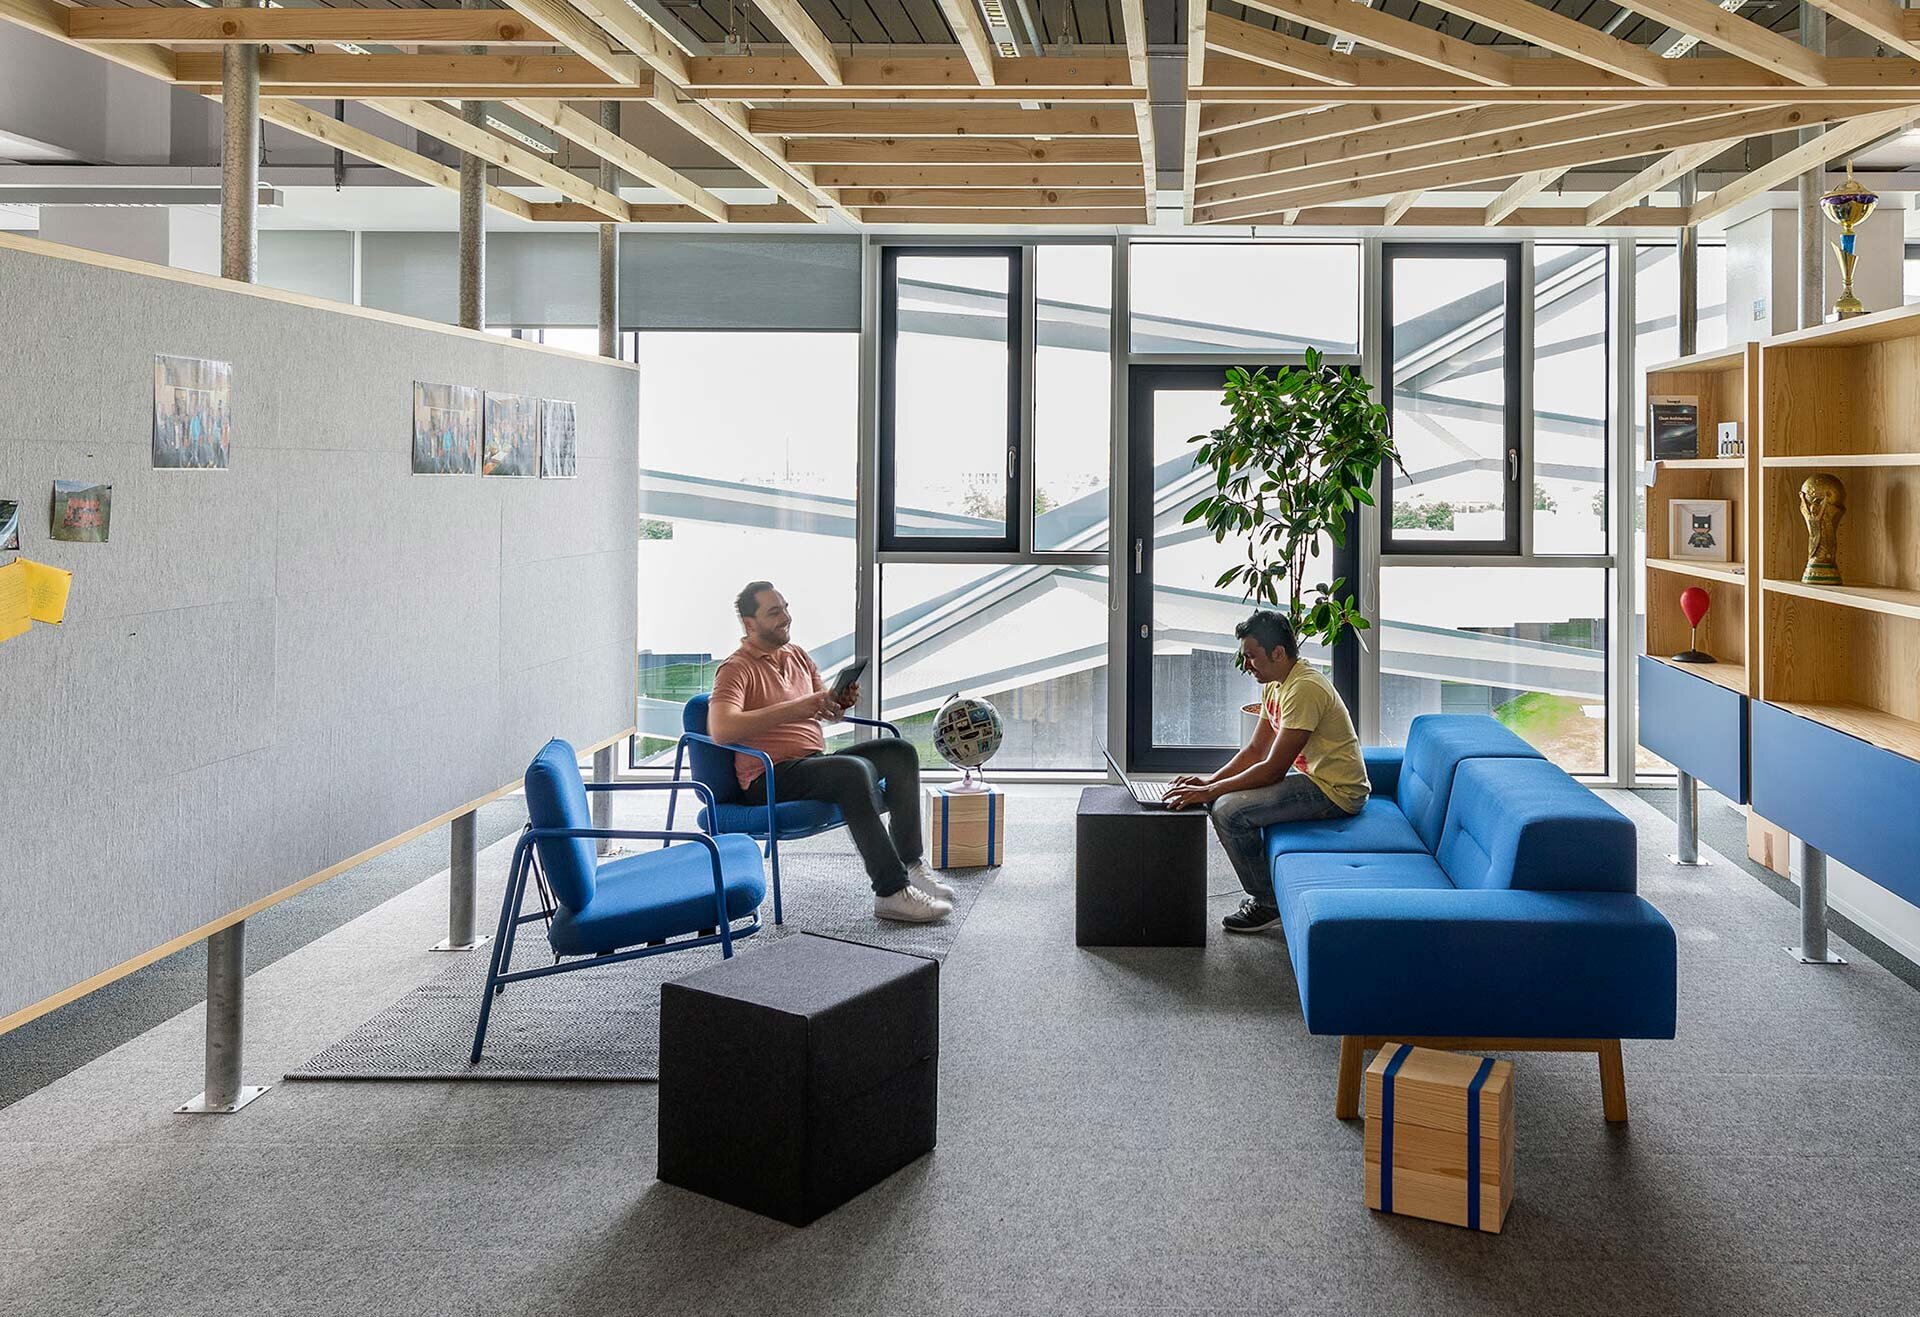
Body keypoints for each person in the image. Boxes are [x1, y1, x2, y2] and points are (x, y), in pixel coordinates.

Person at [708, 581, 953, 924]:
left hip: (811, 763)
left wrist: (838, 702)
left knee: (900, 751)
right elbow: (721, 729)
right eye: (774, 612)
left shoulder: (797, 656)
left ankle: (910, 864)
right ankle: (891, 892)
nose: (786, 617)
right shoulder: (736, 668)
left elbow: (823, 711)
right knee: (852, 771)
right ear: (750, 624)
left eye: (786, 608)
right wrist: (799, 708)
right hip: (768, 775)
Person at [1164, 610, 1370, 934]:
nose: (1246, 665)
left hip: (1336, 792)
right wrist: (1210, 781)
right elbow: (1256, 751)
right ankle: (1268, 893)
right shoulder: (1275, 684)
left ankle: (1267, 902)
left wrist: (1210, 792)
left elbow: (1273, 770)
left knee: (1229, 812)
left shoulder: (1304, 689)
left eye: (1251, 657)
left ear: (1278, 653)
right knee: (1220, 798)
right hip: (1313, 779)